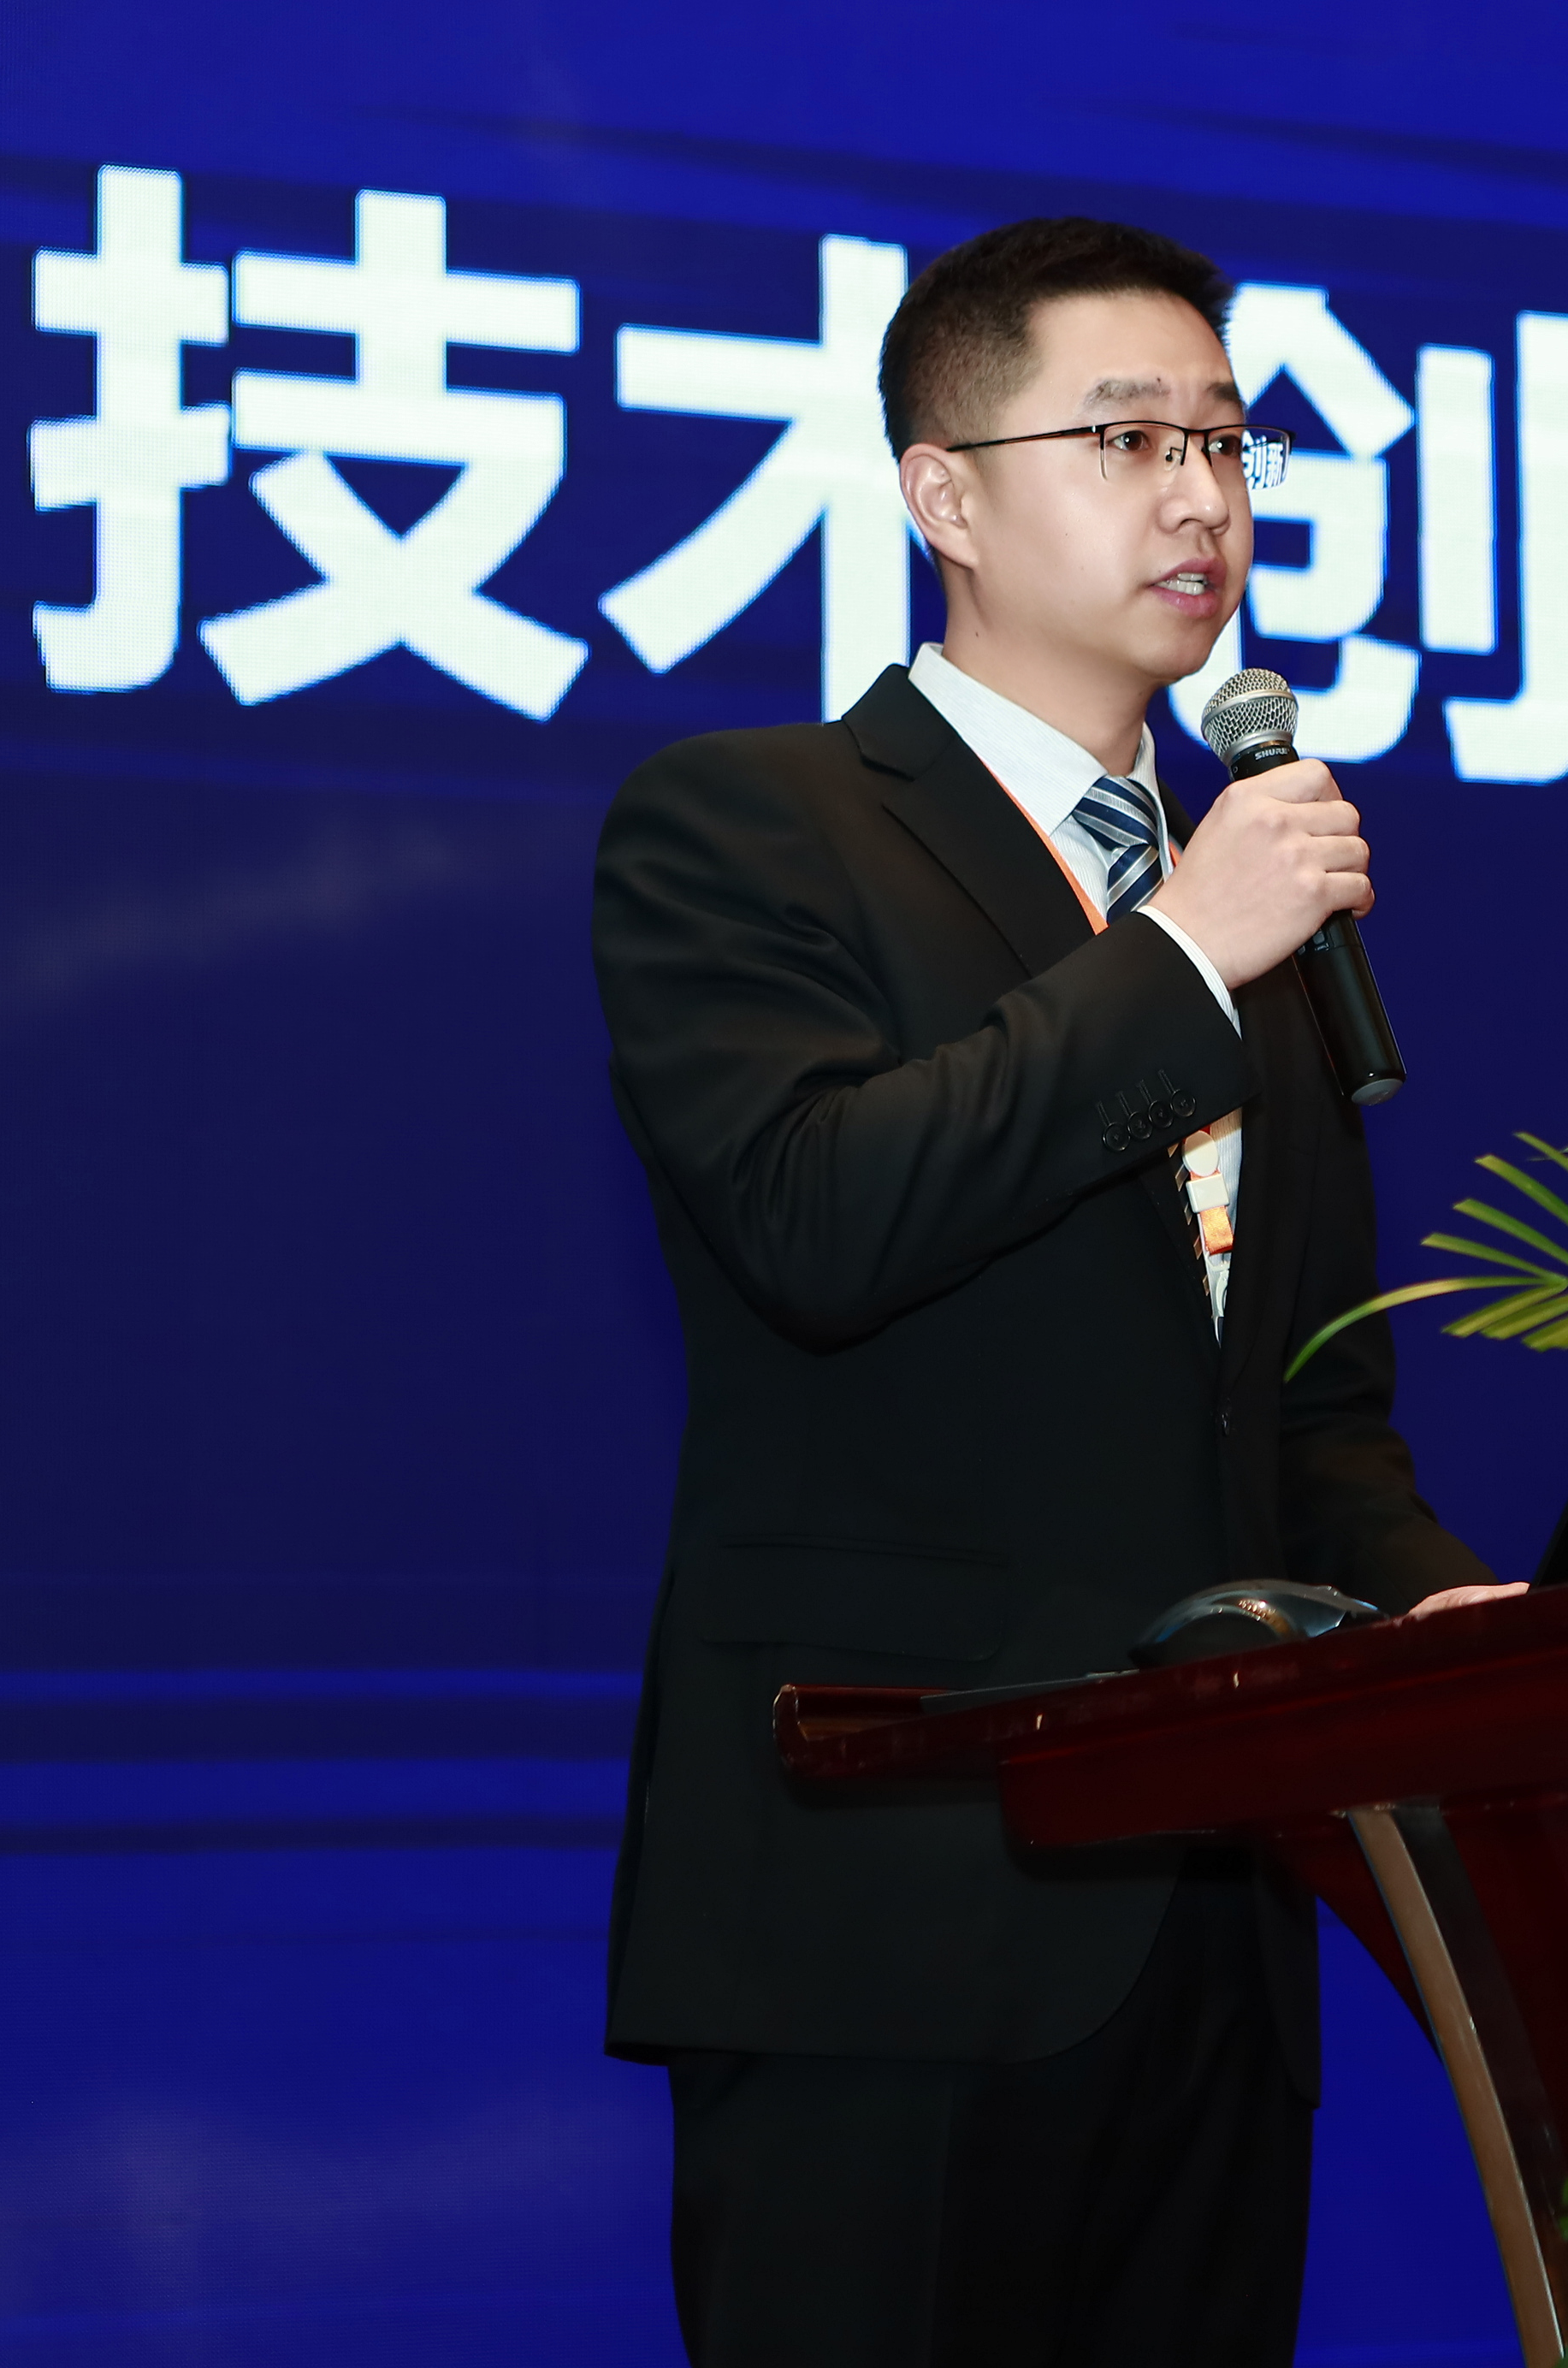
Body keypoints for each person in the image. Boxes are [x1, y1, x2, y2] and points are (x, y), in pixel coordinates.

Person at [589, 215, 1517, 2367]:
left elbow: (1295, 1414)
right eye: (1126, 439)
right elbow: (820, 1217)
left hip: (1211, 1923)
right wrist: (1181, 954)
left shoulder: (1240, 891)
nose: (1200, 497)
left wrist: (1441, 1616)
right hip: (886, 1914)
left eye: (1228, 442)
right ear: (946, 495)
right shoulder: (750, 827)